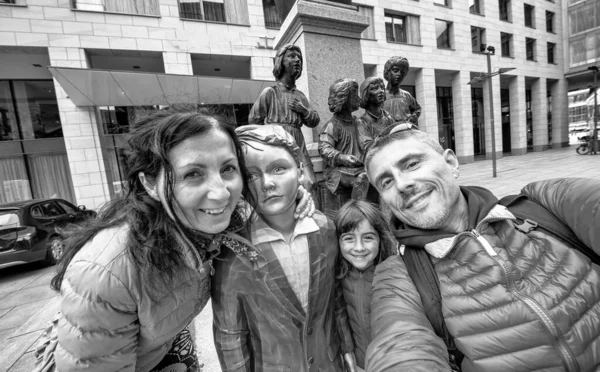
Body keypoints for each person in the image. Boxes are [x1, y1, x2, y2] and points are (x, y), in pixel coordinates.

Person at [47, 111, 313, 372]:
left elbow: (258, 203)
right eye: (193, 174)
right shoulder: (107, 273)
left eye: (228, 168)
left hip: (165, 346)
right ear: (150, 183)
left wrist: (294, 199)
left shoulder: (206, 223)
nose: (221, 194)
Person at [363, 123, 600, 372]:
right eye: (387, 182)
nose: (402, 185)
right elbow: (399, 348)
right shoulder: (399, 275)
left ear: (452, 164)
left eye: (412, 164)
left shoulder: (545, 203)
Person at [212, 124, 355, 372]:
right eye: (251, 175)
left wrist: (347, 348)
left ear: (300, 171)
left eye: (279, 168)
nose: (267, 183)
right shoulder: (233, 251)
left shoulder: (325, 230)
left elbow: (336, 300)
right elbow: (230, 334)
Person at [334, 200, 397, 371]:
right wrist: (347, 351)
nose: (359, 247)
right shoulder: (337, 276)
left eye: (368, 238)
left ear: (380, 238)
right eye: (349, 239)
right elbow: (340, 318)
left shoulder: (395, 274)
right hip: (359, 364)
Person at [248, 43, 319, 194]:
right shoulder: (270, 92)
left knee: (310, 182)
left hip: (298, 142)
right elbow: (254, 120)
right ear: (280, 61)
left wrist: (303, 110)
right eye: (292, 56)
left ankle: (310, 216)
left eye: (299, 57)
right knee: (284, 185)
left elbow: (314, 121)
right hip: (278, 142)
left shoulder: (300, 96)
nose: (297, 60)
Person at [319, 78, 370, 217]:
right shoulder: (333, 125)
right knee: (362, 179)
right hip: (338, 172)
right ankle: (354, 216)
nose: (358, 98)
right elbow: (324, 148)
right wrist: (342, 157)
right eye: (354, 94)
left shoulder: (357, 122)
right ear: (344, 97)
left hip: (355, 168)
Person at [356, 76, 394, 148]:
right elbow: (367, 147)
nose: (381, 91)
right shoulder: (361, 122)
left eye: (382, 88)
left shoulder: (389, 118)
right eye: (374, 88)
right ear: (366, 94)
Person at [382, 56, 421, 125]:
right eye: (395, 70)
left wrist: (413, 118)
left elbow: (417, 109)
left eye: (402, 72)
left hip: (406, 132)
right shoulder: (381, 96)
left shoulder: (407, 95)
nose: (399, 74)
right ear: (387, 72)